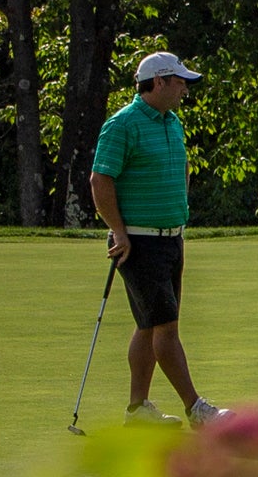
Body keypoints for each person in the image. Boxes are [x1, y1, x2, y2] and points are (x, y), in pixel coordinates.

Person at [89, 49, 229, 426]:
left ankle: (137, 411)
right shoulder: (122, 125)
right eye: (180, 82)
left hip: (171, 239)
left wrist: (179, 207)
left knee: (150, 325)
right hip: (138, 241)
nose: (185, 89)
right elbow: (100, 179)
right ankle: (196, 408)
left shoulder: (172, 122)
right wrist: (118, 231)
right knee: (166, 328)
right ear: (160, 82)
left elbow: (182, 166)